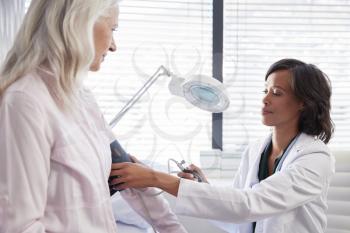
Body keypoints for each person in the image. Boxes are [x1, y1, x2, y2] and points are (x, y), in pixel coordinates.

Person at [0, 1, 187, 233]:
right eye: (113, 29)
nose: (114, 46)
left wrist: (174, 229)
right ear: (80, 23)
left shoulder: (81, 97)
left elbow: (124, 174)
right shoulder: (25, 101)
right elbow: (21, 227)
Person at [110, 58, 335, 233]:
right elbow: (235, 215)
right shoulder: (257, 149)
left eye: (276, 93)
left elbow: (248, 205)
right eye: (264, 90)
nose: (265, 99)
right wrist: (203, 185)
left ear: (303, 103)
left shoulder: (315, 159)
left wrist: (154, 177)